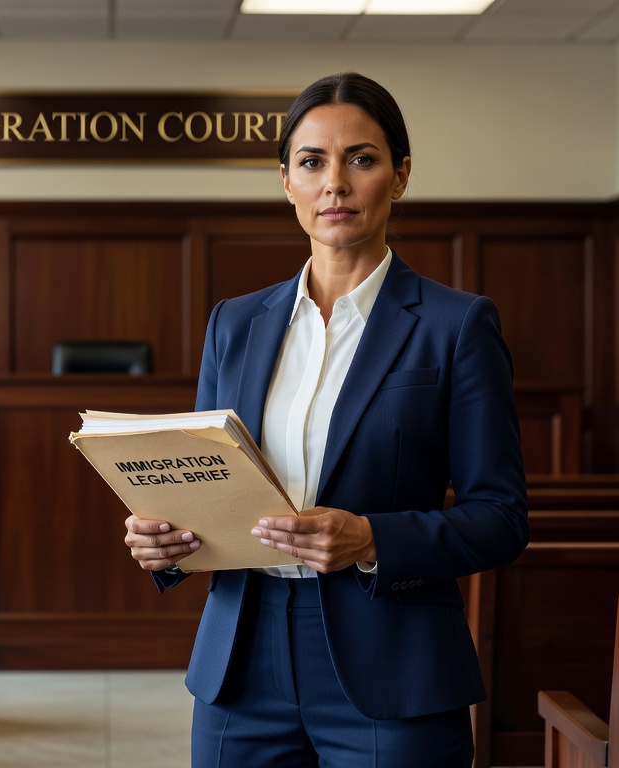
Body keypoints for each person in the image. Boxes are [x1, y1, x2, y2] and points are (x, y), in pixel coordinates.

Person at [123, 72, 529, 768]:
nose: (334, 183)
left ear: (399, 177)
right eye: (312, 162)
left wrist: (371, 536)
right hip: (241, 660)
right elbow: (203, 482)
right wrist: (165, 538)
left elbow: (500, 517)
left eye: (361, 159)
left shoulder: (457, 325)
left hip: (393, 658)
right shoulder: (235, 323)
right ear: (286, 181)